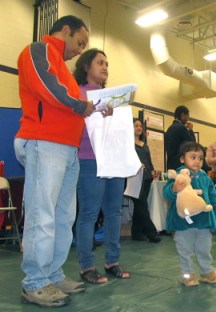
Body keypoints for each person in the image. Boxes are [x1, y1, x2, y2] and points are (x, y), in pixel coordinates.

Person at [14, 16, 95, 308]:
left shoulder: (65, 71)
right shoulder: (39, 50)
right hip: (44, 141)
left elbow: (72, 104)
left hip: (66, 148)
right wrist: (79, 105)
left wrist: (95, 111)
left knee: (63, 217)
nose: (80, 49)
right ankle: (35, 282)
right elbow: (48, 87)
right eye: (79, 42)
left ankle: (52, 274)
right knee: (42, 214)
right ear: (64, 31)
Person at [73, 48, 130, 285]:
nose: (105, 67)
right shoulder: (77, 94)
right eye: (99, 62)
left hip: (113, 160)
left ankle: (112, 261)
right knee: (88, 213)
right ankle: (86, 266)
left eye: (107, 63)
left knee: (114, 213)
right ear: (86, 67)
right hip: (88, 159)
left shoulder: (113, 97)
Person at [163, 141, 216, 287]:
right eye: (193, 157)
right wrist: (174, 188)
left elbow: (213, 197)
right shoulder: (178, 176)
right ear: (182, 159)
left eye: (200, 158)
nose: (197, 161)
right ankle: (187, 275)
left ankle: (207, 272)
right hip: (183, 223)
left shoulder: (206, 178)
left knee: (204, 248)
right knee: (185, 250)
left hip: (204, 222)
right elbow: (166, 194)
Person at [130, 119, 161, 242]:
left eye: (140, 126)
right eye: (135, 125)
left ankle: (136, 233)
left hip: (147, 177)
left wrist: (152, 171)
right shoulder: (128, 144)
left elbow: (149, 160)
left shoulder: (144, 144)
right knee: (142, 204)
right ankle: (151, 233)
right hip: (134, 178)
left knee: (139, 205)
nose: (138, 128)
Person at [165, 105, 195, 170]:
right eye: (187, 117)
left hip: (170, 165)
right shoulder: (181, 128)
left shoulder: (169, 129)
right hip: (180, 166)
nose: (187, 120)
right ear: (182, 115)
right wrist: (190, 130)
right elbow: (192, 144)